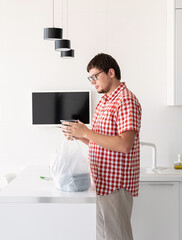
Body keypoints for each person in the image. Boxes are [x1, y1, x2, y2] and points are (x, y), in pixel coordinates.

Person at [61, 53, 142, 240]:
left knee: (116, 237)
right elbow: (99, 143)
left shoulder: (126, 101)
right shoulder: (104, 102)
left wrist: (86, 132)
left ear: (111, 72)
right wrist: (79, 135)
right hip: (102, 183)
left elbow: (124, 145)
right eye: (90, 78)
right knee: (105, 236)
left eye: (95, 76)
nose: (92, 82)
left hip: (116, 184)